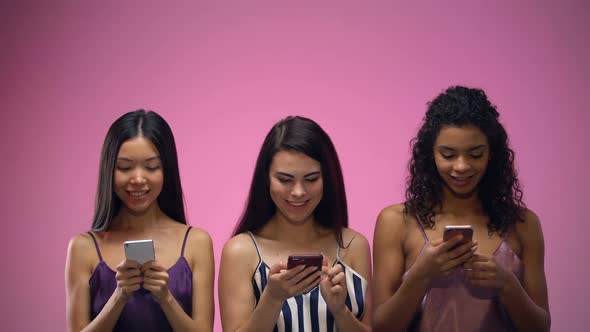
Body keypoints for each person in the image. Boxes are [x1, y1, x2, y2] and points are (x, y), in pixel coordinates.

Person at [372, 86, 550, 331]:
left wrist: (508, 285)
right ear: (430, 154)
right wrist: (421, 274)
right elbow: (382, 327)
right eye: (448, 154)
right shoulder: (396, 221)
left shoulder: (524, 224)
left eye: (475, 154)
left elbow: (541, 328)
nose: (462, 166)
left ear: (492, 154)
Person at [65, 110, 214, 332]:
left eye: (151, 167)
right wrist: (120, 296)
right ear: (109, 170)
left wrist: (166, 298)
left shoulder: (196, 242)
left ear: (166, 170)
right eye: (124, 167)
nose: (137, 179)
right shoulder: (83, 247)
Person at [219, 116, 372, 332]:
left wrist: (340, 310)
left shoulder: (354, 245)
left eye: (311, 179)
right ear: (266, 179)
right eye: (285, 179)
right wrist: (272, 298)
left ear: (327, 178)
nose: (298, 192)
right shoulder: (240, 251)